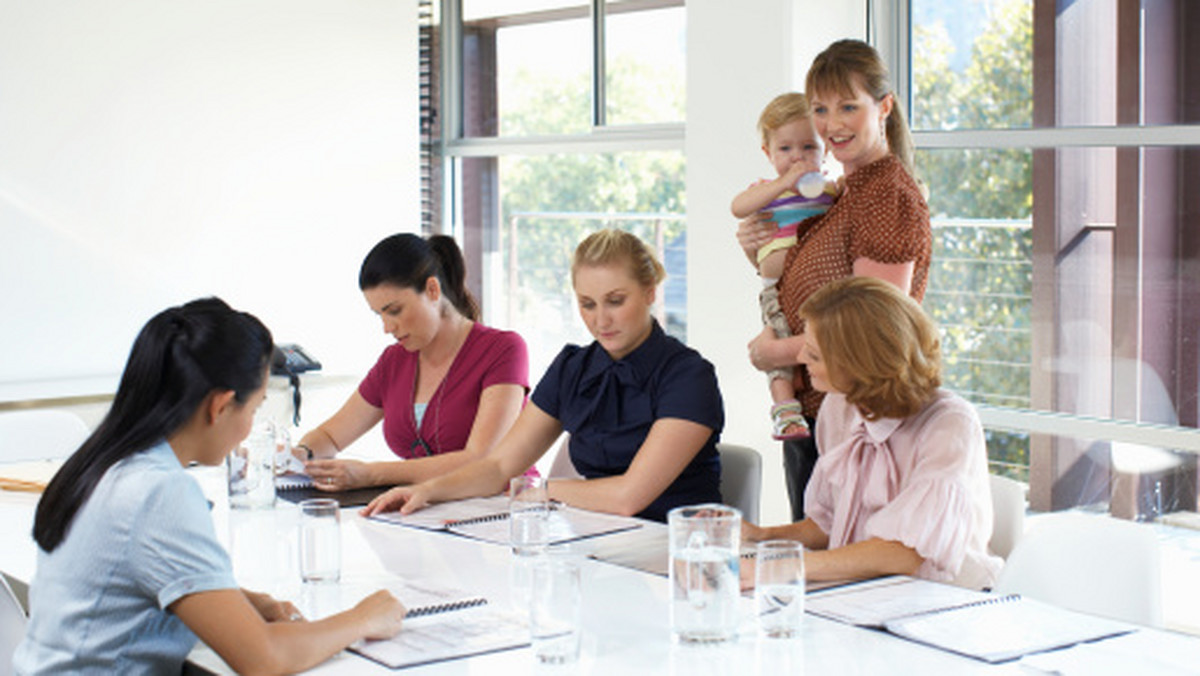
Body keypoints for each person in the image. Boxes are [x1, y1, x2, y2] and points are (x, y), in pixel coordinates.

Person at [14, 298, 405, 675]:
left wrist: (243, 602)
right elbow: (264, 659)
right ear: (219, 406)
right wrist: (361, 619)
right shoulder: (159, 492)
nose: (251, 425)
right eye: (254, 408)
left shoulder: (109, 462)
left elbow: (140, 579)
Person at [363, 229, 724, 523]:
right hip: (598, 538)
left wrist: (537, 490)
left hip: (680, 550)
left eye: (615, 301)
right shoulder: (573, 368)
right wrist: (427, 491)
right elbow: (498, 465)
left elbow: (626, 497)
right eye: (587, 304)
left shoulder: (689, 377)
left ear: (650, 292)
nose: (601, 320)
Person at [737, 39, 932, 521]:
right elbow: (814, 285)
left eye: (849, 106)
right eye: (821, 109)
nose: (832, 124)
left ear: (883, 106)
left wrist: (773, 354)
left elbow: (872, 331)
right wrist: (755, 251)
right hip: (815, 419)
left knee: (839, 577)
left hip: (857, 426)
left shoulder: (886, 195)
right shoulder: (841, 191)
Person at [742, 277, 1002, 590]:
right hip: (865, 593)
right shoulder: (838, 407)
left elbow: (907, 553)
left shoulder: (950, 424)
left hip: (944, 601)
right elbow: (829, 522)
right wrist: (761, 537)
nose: (800, 360)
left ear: (858, 363)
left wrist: (785, 566)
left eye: (814, 355)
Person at [295, 233, 529, 492]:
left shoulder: (503, 350)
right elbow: (329, 436)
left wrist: (373, 474)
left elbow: (481, 460)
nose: (386, 327)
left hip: (502, 511)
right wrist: (301, 456)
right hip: (425, 513)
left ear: (432, 290)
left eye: (394, 311)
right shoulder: (393, 361)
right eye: (379, 314)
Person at [730, 92, 837, 443]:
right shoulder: (768, 190)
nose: (798, 158)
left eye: (809, 147)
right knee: (777, 349)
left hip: (818, 299)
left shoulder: (825, 190)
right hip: (775, 290)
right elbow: (738, 207)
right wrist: (782, 184)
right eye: (786, 149)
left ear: (825, 149)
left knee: (811, 348)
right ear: (768, 153)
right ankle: (785, 412)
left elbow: (853, 192)